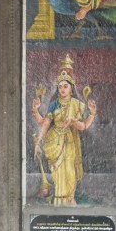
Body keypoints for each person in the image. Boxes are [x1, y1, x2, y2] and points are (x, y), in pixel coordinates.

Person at [33, 53, 97, 206]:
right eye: (60, 86)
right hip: (54, 141)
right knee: (58, 172)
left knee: (70, 171)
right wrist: (35, 111)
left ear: (71, 88)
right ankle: (59, 200)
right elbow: (44, 123)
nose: (62, 89)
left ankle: (70, 198)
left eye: (65, 86)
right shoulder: (54, 104)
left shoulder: (76, 104)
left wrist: (89, 115)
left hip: (69, 141)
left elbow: (83, 126)